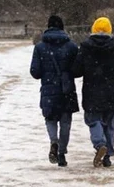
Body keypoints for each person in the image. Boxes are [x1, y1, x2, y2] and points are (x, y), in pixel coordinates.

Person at [72, 17, 114, 168]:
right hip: (112, 94)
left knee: (94, 121)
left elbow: (76, 71)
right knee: (110, 126)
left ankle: (100, 144)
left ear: (93, 30)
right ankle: (107, 156)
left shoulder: (86, 48)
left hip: (92, 93)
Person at [30, 15, 79, 167]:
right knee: (65, 123)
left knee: (50, 119)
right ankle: (62, 154)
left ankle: (53, 142)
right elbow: (77, 70)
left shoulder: (39, 47)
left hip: (48, 90)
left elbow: (35, 72)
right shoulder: (71, 46)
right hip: (67, 90)